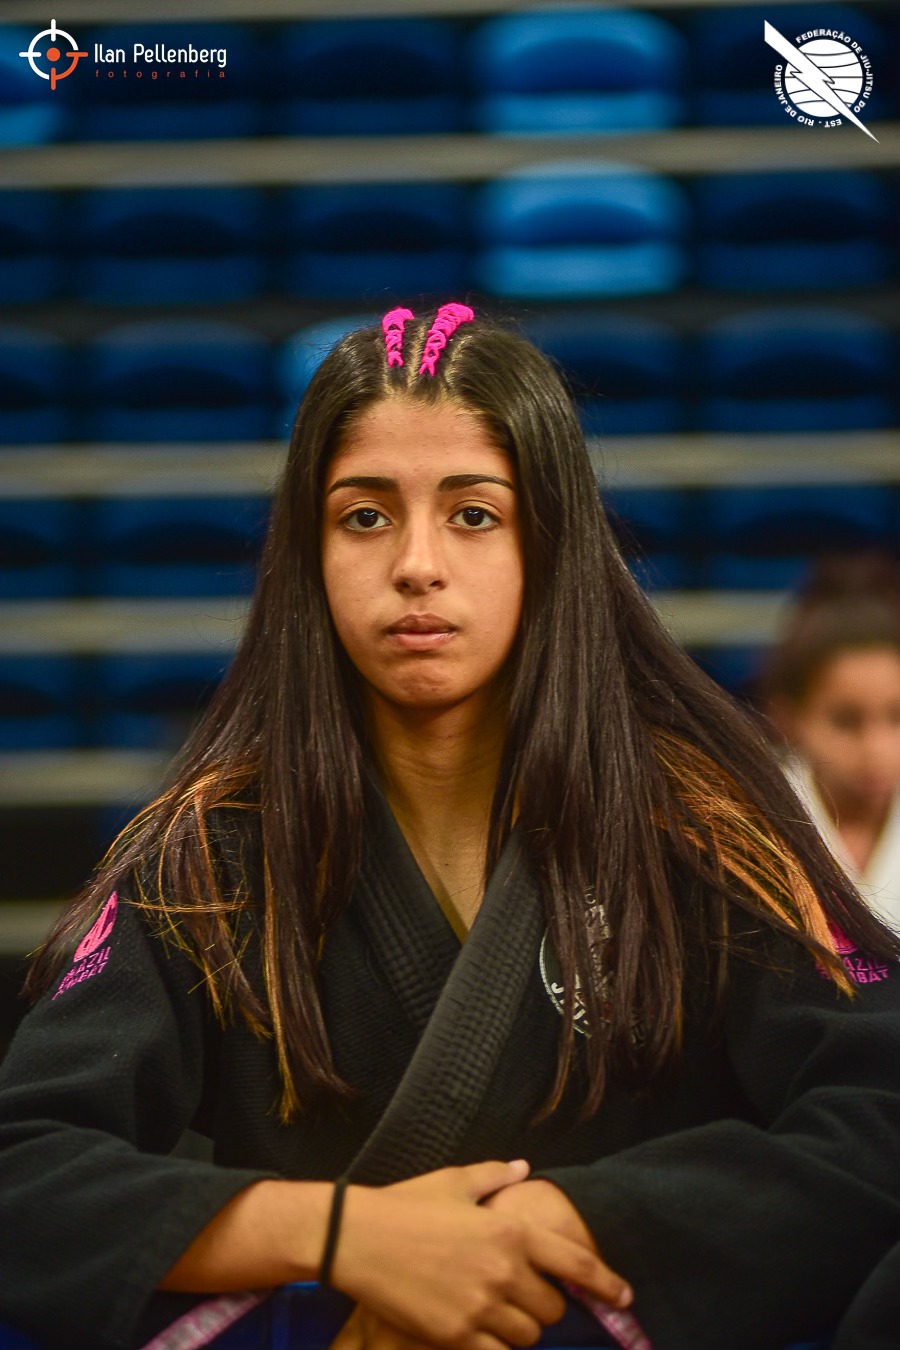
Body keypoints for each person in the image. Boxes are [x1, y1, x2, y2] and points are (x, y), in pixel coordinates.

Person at [1, 304, 899, 1350]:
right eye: (364, 517)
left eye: (474, 514)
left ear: (547, 544)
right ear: (307, 552)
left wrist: (567, 1222)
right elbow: (25, 1169)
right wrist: (343, 1236)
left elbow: (877, 1110)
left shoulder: (699, 827)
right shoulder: (205, 856)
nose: (417, 564)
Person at [763, 554, 900, 936]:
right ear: (789, 717)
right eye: (846, 721)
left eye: (897, 716)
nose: (876, 748)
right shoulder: (758, 820)